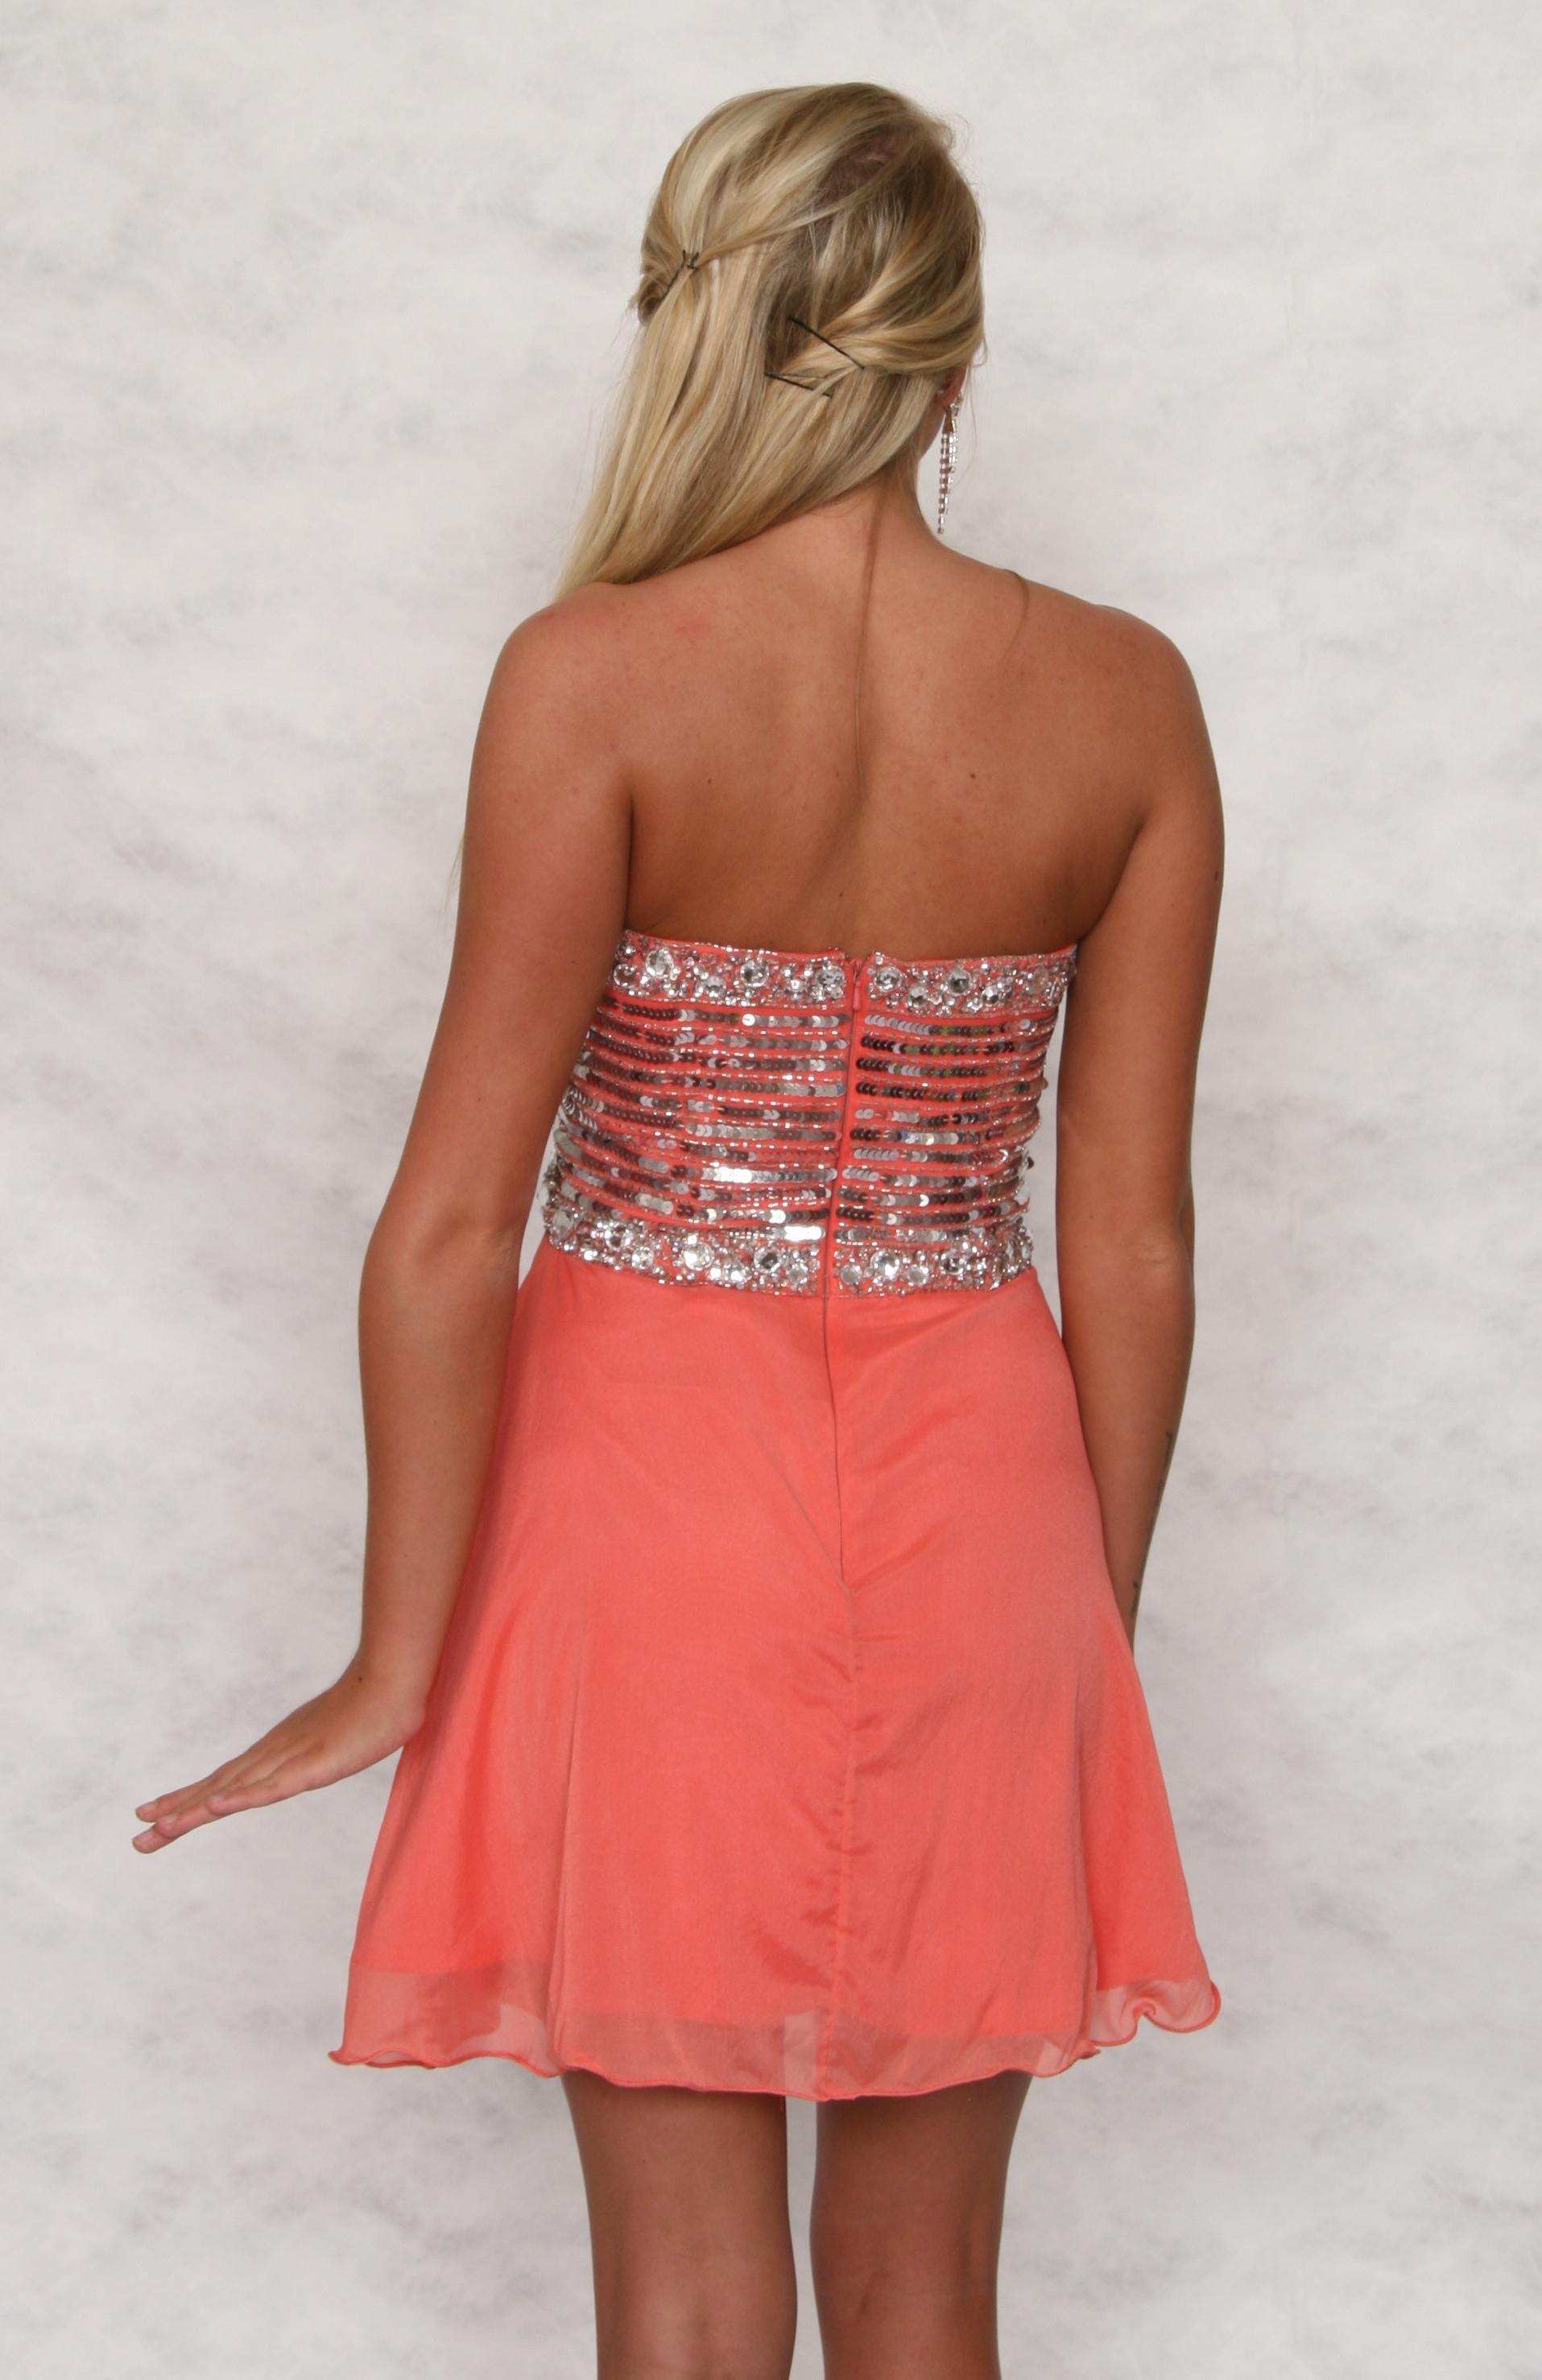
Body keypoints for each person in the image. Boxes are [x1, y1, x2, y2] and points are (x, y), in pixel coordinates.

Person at [134, 81, 1222, 2380]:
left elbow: (451, 1222)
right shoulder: (1124, 698)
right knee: (928, 2299)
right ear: (952, 352)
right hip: (989, 1516)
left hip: (638, 1514)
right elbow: (1128, 1249)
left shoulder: (597, 676)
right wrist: (1081, 1631)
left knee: (688, 2308)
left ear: (697, 325)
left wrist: (396, 1652)